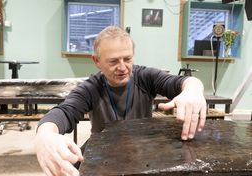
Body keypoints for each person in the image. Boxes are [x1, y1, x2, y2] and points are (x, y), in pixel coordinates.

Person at [35, 26, 207, 176]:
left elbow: (177, 82)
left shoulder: (145, 77)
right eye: (113, 61)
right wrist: (45, 133)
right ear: (97, 61)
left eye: (127, 59)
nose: (123, 67)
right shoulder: (90, 88)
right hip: (104, 154)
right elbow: (65, 111)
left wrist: (194, 88)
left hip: (141, 152)